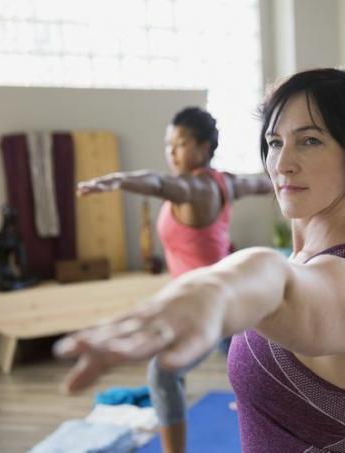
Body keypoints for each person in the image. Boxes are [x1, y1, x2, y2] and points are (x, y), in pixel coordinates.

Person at [55, 68, 345, 452]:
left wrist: (212, 289)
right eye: (276, 141)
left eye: (310, 140)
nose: (281, 164)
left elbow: (276, 282)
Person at [76, 106, 273, 453]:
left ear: (202, 146)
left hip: (209, 305)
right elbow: (260, 182)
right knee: (243, 364)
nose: (171, 152)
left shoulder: (195, 187)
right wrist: (282, 180)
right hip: (225, 297)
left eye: (180, 144)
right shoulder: (224, 181)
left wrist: (119, 180)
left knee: (163, 374)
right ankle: (260, 408)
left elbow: (157, 183)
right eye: (169, 145)